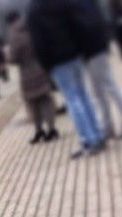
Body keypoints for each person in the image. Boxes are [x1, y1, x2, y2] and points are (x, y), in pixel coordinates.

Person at [27, 0, 105, 158]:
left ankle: (88, 140)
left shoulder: (34, 10)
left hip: (57, 61)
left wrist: (47, 65)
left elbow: (38, 43)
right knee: (84, 95)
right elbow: (76, 24)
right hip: (74, 55)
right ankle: (97, 133)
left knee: (72, 99)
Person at [78, 0, 122, 138]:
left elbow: (86, 27)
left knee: (108, 87)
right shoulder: (89, 5)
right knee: (100, 91)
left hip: (93, 51)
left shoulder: (81, 5)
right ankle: (108, 126)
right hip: (95, 50)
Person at [6, 11, 59, 144]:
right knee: (46, 100)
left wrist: (8, 57)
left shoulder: (14, 36)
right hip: (41, 68)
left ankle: (38, 130)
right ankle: (52, 129)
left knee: (32, 103)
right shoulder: (32, 27)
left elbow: (13, 58)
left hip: (26, 73)